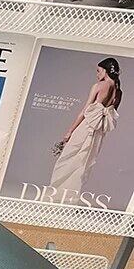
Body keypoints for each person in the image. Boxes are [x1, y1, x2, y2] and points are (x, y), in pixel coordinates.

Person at [50, 57, 122, 195]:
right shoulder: (119, 93)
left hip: (86, 126)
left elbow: (84, 111)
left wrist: (69, 131)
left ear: (106, 71)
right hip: (99, 132)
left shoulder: (98, 86)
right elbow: (110, 115)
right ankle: (69, 195)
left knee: (67, 158)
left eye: (98, 71)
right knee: (83, 163)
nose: (97, 74)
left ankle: (56, 194)